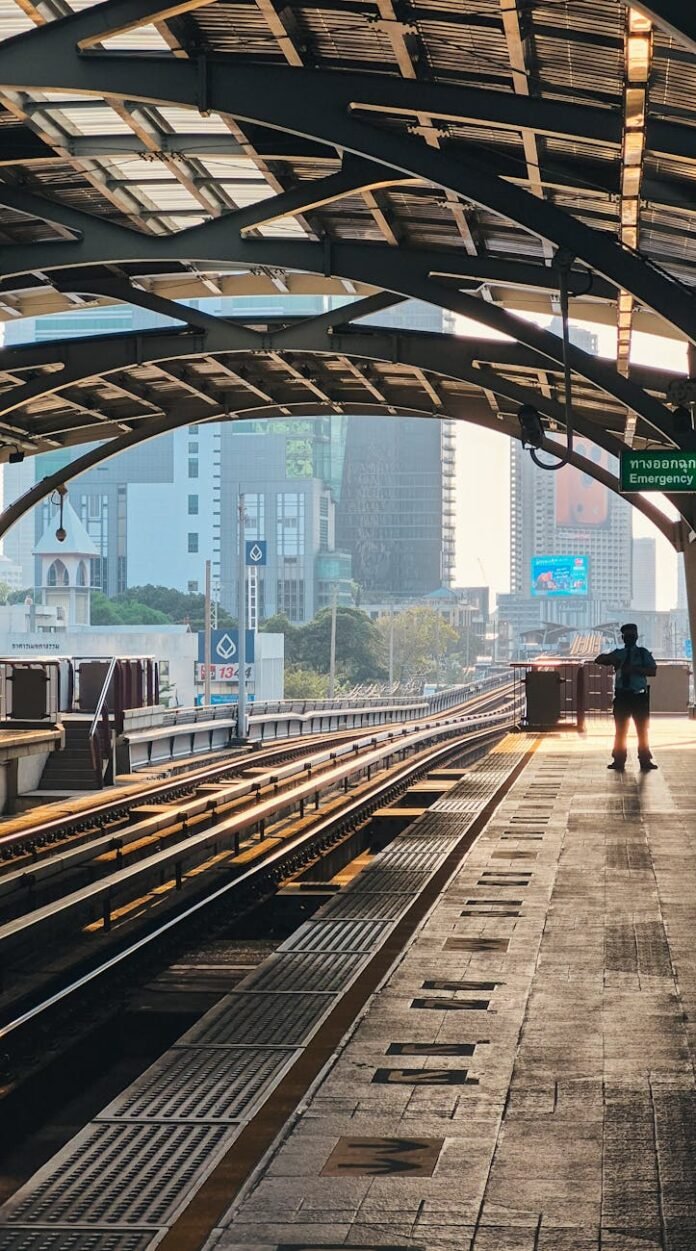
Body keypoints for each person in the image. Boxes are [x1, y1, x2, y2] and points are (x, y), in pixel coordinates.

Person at [595, 624, 657, 772]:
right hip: (622, 696)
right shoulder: (619, 654)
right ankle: (619, 759)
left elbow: (652, 671)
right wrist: (611, 659)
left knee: (642, 730)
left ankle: (644, 759)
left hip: (638, 696)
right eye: (627, 636)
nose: (629, 638)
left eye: (632, 636)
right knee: (620, 730)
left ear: (636, 637)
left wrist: (635, 669)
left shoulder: (643, 654)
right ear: (623, 638)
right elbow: (598, 659)